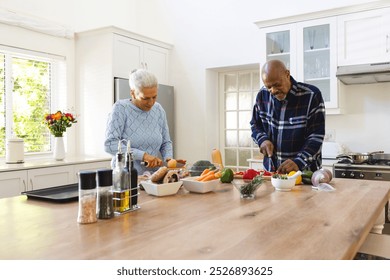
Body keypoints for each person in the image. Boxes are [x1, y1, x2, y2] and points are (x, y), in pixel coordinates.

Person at [250, 60, 325, 174]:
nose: (273, 90)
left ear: (287, 74)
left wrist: (298, 162)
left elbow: (315, 136)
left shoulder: (311, 95)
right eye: (269, 87)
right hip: (272, 172)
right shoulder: (262, 95)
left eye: (277, 85)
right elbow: (255, 124)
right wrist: (262, 139)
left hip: (304, 173)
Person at [104, 69, 173, 175]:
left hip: (152, 177)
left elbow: (165, 142)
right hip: (125, 177)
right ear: (133, 93)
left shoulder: (158, 109)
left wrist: (169, 160)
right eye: (145, 98)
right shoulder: (120, 109)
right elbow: (110, 144)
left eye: (154, 97)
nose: (151, 103)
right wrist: (143, 156)